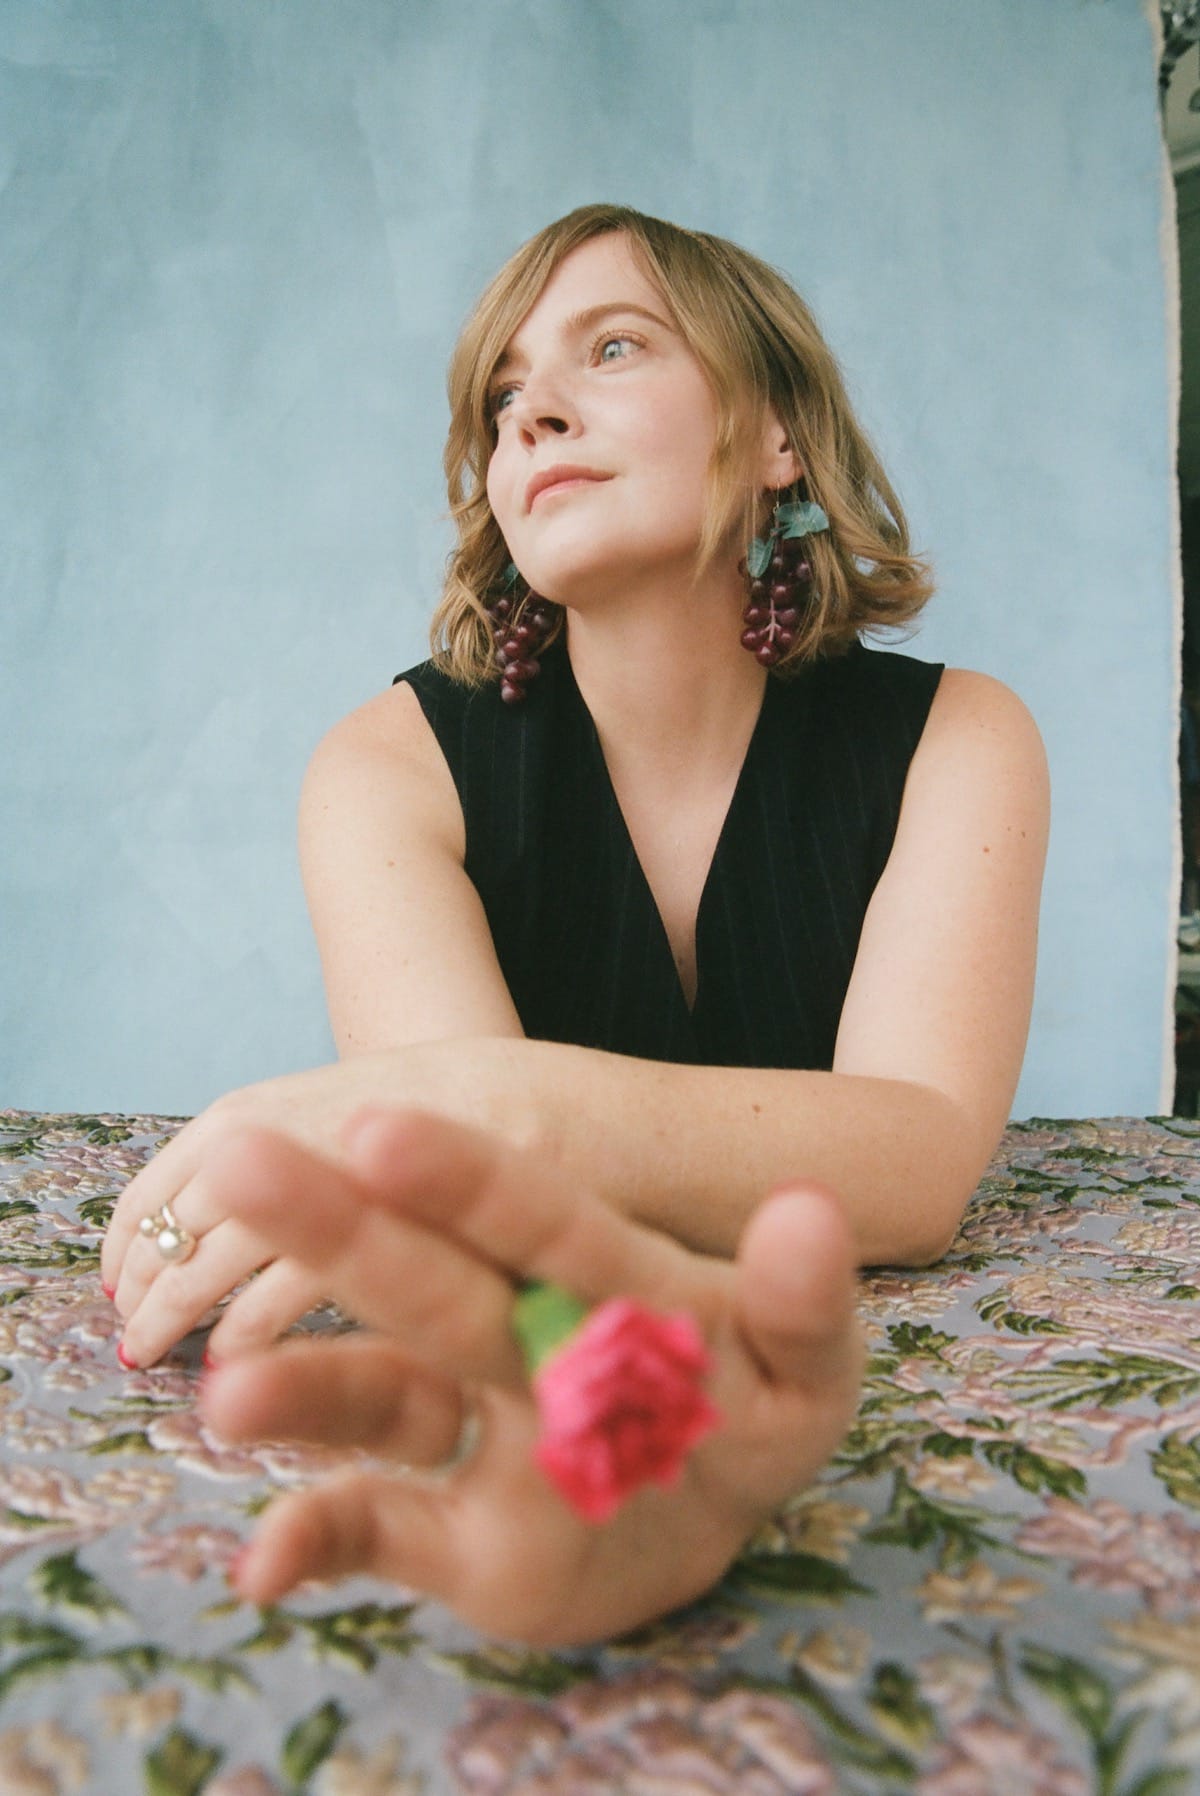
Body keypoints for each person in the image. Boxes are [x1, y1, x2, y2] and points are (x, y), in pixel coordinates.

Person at [99, 200, 1046, 1633]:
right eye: (502, 394)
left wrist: (511, 1111)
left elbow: (913, 1165)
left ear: (779, 434)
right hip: (610, 1376)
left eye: (613, 348)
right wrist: (622, 1423)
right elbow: (492, 1236)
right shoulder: (384, 768)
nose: (534, 409)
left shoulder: (962, 737)